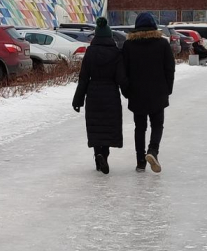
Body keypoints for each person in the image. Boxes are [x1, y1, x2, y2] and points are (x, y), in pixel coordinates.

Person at [122, 12, 175, 173]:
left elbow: (123, 70)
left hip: (136, 93)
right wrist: (168, 89)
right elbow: (169, 68)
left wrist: (126, 91)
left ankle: (140, 161)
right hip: (158, 92)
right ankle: (153, 151)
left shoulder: (129, 46)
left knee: (140, 127)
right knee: (157, 125)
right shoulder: (162, 44)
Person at [72, 17, 126, 175]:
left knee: (96, 127)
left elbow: (83, 78)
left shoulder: (90, 52)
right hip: (111, 93)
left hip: (93, 93)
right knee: (108, 127)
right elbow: (121, 77)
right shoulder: (116, 53)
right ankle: (105, 155)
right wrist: (128, 92)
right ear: (110, 37)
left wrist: (78, 100)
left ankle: (98, 155)